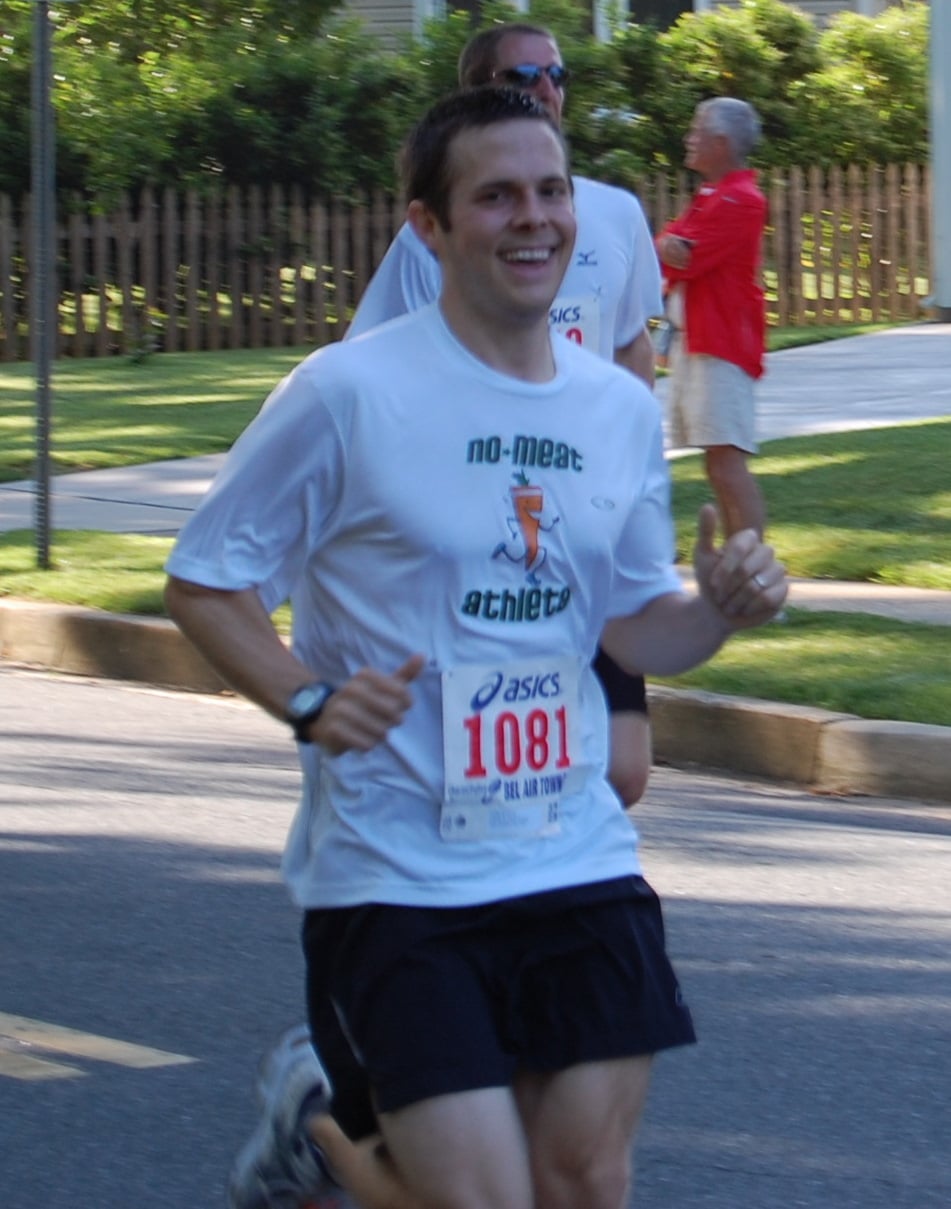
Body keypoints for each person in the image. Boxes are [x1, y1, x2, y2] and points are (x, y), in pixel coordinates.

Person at [165, 87, 787, 1209]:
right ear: (429, 228)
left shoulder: (614, 408)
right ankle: (315, 1116)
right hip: (397, 874)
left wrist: (721, 609)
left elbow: (635, 622)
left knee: (585, 1182)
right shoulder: (349, 392)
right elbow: (207, 575)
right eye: (494, 196)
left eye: (550, 192)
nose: (533, 219)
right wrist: (304, 699)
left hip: (573, 853)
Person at [348, 22, 663, 810]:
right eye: (525, 75)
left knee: (624, 767)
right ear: (479, 95)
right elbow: (389, 373)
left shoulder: (613, 215)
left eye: (558, 73)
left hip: (584, 512)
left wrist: (626, 461)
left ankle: (552, 867)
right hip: (488, 518)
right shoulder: (441, 236)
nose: (548, 90)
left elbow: (630, 346)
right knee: (496, 765)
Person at [655, 97, 768, 539]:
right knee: (717, 463)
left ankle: (754, 574)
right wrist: (668, 243)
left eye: (697, 130)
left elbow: (687, 260)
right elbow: (668, 245)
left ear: (720, 143)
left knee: (726, 461)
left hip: (720, 345)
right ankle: (737, 567)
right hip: (700, 343)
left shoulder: (740, 199)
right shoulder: (713, 196)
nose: (689, 138)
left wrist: (669, 244)